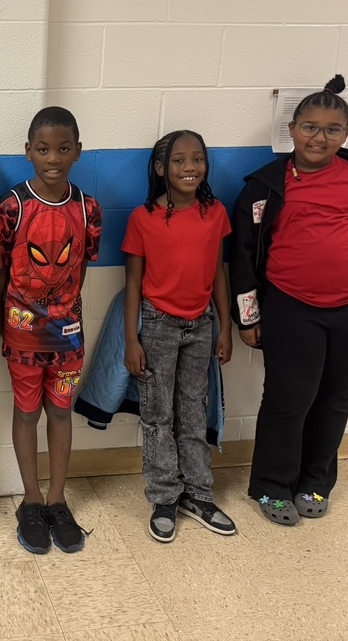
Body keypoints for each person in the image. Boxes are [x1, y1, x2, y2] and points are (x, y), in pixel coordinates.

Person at [230, 75, 348, 525]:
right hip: (292, 308)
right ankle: (273, 486)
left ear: (346, 135)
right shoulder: (264, 186)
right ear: (291, 130)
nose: (320, 137)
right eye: (310, 126)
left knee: (335, 398)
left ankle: (315, 481)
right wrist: (247, 319)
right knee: (287, 399)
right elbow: (242, 257)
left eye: (333, 129)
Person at [0, 107, 101, 554]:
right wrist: (6, 329)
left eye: (62, 148)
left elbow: (82, 269)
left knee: (60, 411)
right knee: (26, 413)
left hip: (68, 336)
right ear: (28, 152)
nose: (52, 157)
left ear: (77, 151)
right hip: (21, 336)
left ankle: (57, 498)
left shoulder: (87, 208)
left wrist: (65, 316)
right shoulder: (10, 207)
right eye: (42, 149)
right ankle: (31, 499)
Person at [122, 130, 236, 543]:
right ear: (160, 168)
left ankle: (199, 494)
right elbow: (132, 282)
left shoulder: (216, 213)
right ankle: (164, 496)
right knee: (158, 416)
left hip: (201, 325)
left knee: (193, 410)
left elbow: (219, 273)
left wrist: (224, 325)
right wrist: (131, 339)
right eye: (179, 161)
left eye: (198, 159)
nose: (190, 168)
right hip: (157, 326)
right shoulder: (142, 218)